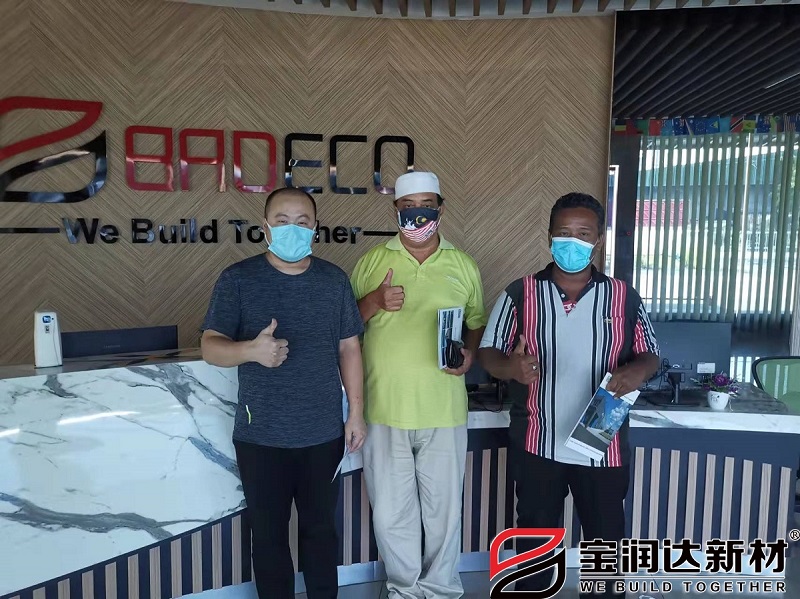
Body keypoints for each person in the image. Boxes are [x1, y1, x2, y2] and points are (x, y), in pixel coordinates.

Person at [478, 192, 660, 598]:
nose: (572, 242)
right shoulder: (521, 293)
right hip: (537, 440)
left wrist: (637, 370)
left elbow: (650, 353)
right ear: (549, 237)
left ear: (598, 240)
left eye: (583, 234)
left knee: (605, 540)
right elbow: (489, 352)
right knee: (535, 540)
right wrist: (511, 368)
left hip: (602, 440)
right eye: (563, 233)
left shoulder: (623, 296)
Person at [200, 187, 367, 599]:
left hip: (322, 433)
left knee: (321, 532)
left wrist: (356, 413)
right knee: (268, 536)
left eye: (302, 222)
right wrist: (250, 351)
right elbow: (210, 346)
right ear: (265, 227)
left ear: (315, 229)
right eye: (282, 221)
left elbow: (349, 348)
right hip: (261, 437)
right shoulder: (238, 279)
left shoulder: (333, 280)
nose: (293, 229)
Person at [350, 171, 488, 599]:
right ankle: (404, 590)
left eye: (426, 206)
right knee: (391, 513)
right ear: (395, 210)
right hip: (383, 407)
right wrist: (374, 301)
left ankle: (441, 589)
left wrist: (469, 353)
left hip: (444, 409)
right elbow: (345, 328)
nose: (418, 215)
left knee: (443, 511)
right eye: (408, 207)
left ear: (441, 209)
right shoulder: (371, 262)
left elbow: (476, 322)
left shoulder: (463, 265)